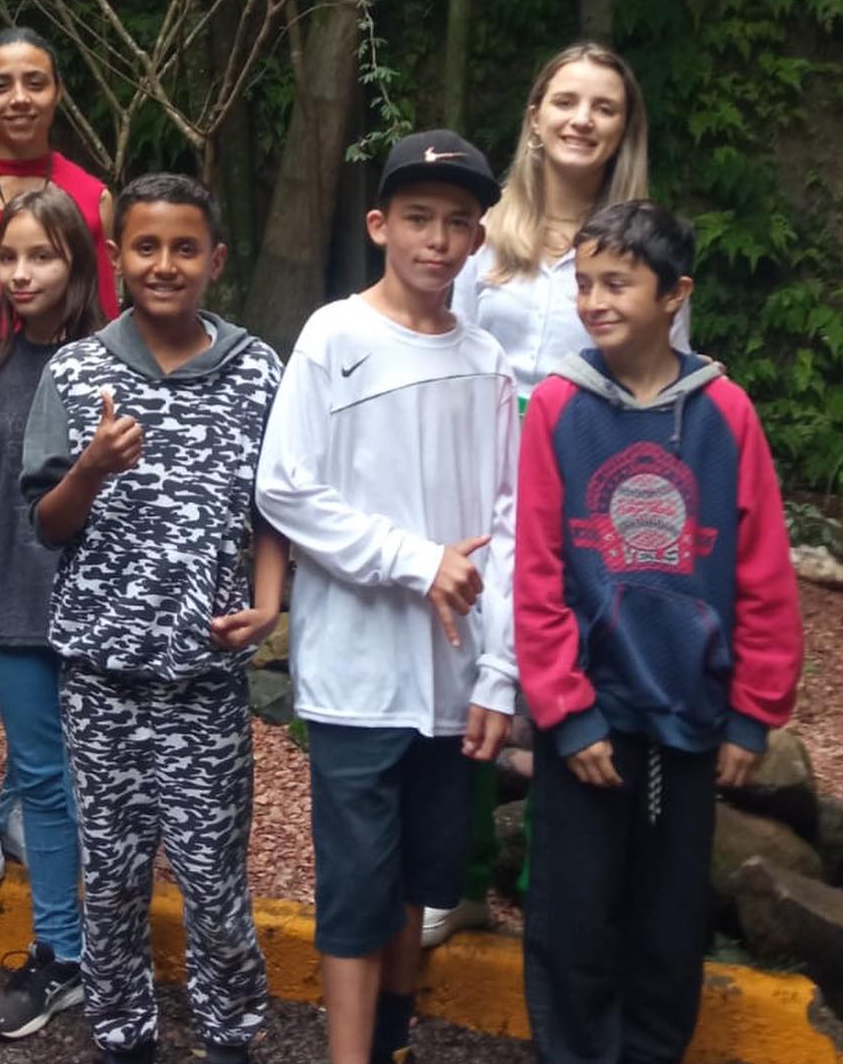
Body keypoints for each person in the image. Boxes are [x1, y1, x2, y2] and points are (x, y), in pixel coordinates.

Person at [516, 200, 802, 1064]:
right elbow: (538, 573)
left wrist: (752, 710)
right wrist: (566, 710)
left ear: (675, 293)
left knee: (669, 922)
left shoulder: (727, 414)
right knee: (573, 916)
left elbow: (763, 569)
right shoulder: (557, 407)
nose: (594, 301)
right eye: (584, 283)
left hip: (688, 714)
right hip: (590, 717)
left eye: (618, 283)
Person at [256, 130, 518, 1064]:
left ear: (479, 238)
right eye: (417, 218)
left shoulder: (490, 361)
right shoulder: (334, 335)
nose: (436, 240)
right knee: (357, 886)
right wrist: (416, 559)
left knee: (417, 879)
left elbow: (508, 519)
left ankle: (391, 1044)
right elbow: (285, 487)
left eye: (457, 222)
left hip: (451, 676)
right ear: (379, 225)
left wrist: (500, 669)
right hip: (357, 673)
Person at [20, 172, 286, 1064]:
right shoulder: (76, 370)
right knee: (112, 876)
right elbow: (46, 523)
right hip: (100, 677)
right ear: (116, 257)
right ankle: (122, 1032)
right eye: (145, 246)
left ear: (216, 259)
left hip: (205, 679)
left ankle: (230, 1031)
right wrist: (91, 465)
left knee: (214, 878)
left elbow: (273, 511)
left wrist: (269, 602)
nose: (164, 264)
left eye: (184, 247)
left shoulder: (257, 369)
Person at [430, 41, 689, 947]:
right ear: (535, 115)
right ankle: (459, 880)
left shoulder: (645, 245)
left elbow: (664, 379)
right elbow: (447, 348)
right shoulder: (484, 230)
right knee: (469, 656)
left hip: (591, 469)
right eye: (566, 100)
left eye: (604, 106)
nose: (583, 118)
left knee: (570, 666)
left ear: (624, 128)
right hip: (483, 462)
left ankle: (555, 890)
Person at [0, 25, 118, 885]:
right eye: (1, 82)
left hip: (56, 406)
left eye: (35, 80)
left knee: (46, 606)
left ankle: (26, 791)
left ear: (57, 90)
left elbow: (107, 306)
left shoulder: (91, 194)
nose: (19, 97)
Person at [0, 187, 105, 1039]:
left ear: (76, 260)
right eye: (8, 255)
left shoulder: (116, 360)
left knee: (111, 784)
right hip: (14, 604)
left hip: (103, 607)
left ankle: (111, 945)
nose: (20, 272)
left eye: (41, 255)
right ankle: (59, 952)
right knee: (42, 781)